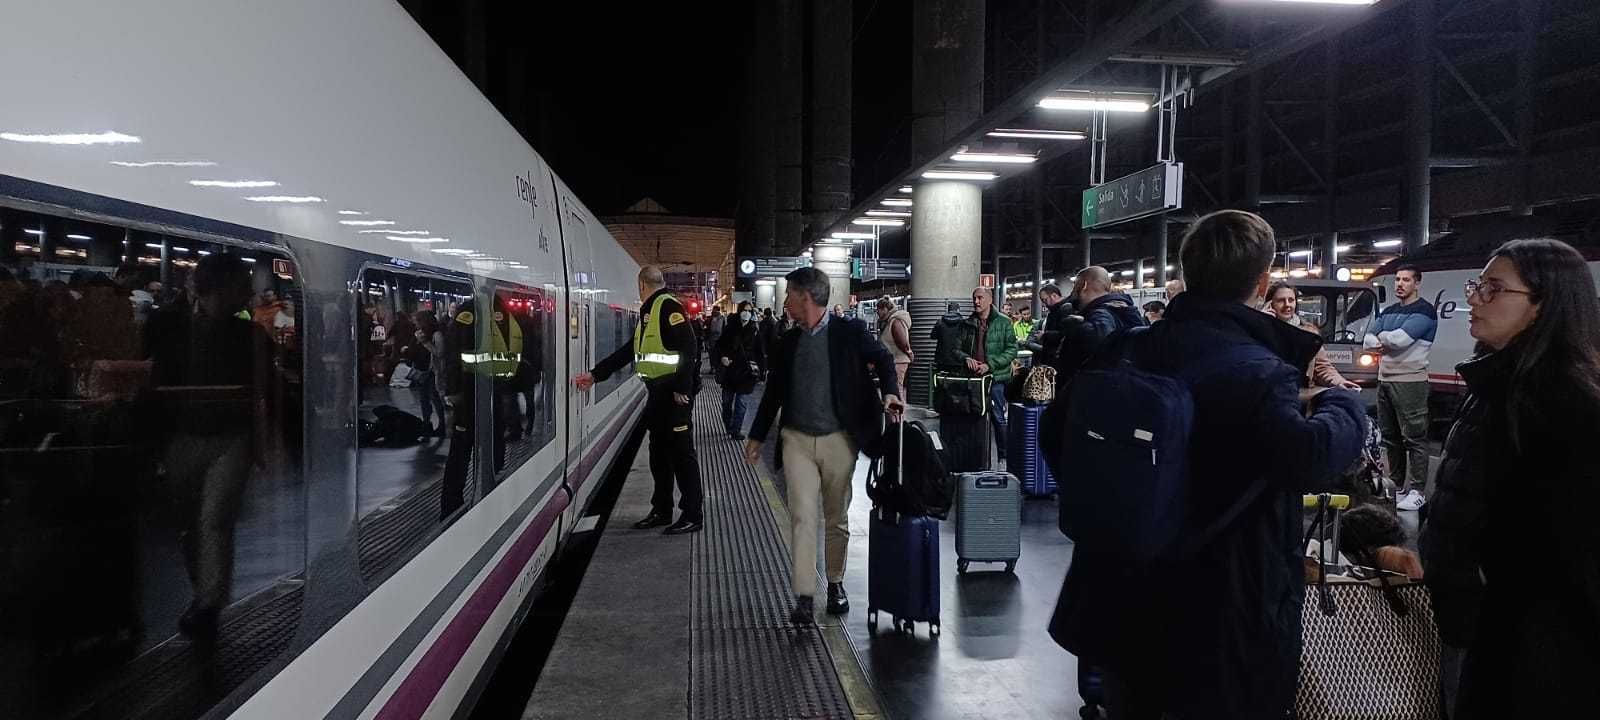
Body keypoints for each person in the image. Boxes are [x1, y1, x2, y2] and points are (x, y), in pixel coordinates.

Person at [1049, 210, 1366, 720]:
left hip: (1122, 596)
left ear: (1187, 272)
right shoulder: (1260, 371)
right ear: (1261, 284)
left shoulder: (1126, 348)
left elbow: (1055, 432)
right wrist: (1342, 405)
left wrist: (1121, 507)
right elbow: (1308, 457)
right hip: (1223, 614)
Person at [1420, 238, 1600, 718]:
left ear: (1543, 305)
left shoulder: (1564, 403)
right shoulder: (1495, 384)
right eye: (1476, 285)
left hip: (1535, 648)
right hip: (1480, 626)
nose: (1474, 300)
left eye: (1493, 289)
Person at [744, 267, 903, 625]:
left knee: (836, 517)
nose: (785, 302)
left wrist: (890, 392)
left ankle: (835, 583)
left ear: (806, 297)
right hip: (796, 439)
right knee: (802, 516)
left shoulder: (850, 332)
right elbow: (773, 393)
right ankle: (804, 595)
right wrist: (757, 435)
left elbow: (884, 359)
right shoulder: (787, 342)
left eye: (789, 295)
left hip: (839, 440)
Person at [143, 253, 277, 642]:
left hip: (229, 438)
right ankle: (204, 593)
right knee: (192, 523)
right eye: (239, 286)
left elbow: (267, 389)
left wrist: (266, 442)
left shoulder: (250, 335)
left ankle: (208, 602)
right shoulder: (168, 326)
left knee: (214, 518)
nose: (244, 295)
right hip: (183, 436)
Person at [575, 266, 703, 535]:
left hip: (673, 397)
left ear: (642, 285)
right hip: (657, 395)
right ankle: (662, 510)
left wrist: (682, 388)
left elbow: (689, 347)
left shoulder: (668, 307)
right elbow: (630, 351)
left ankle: (692, 514)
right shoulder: (650, 311)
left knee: (682, 455)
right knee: (658, 455)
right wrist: (596, 375)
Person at [440, 293, 521, 518]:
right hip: (495, 390)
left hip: (470, 392)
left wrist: (453, 390)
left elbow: (453, 353)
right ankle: (492, 489)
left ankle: (451, 505)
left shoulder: (470, 311)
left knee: (461, 450)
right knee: (494, 444)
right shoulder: (505, 312)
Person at [1363, 264, 1436, 511]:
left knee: (1414, 437)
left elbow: (1400, 340)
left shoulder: (1425, 311)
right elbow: (1367, 341)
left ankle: (1417, 491)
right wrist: (1385, 340)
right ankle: (1395, 485)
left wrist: (1383, 338)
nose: (1400, 284)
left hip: (1411, 382)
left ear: (1417, 283)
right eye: (1397, 279)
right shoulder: (1389, 310)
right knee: (1391, 437)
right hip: (1385, 380)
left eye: (1406, 280)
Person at [955, 287, 1017, 458]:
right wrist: (965, 358)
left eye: (980, 298)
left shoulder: (1004, 322)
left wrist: (990, 365)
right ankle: (974, 455)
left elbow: (1012, 350)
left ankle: (1003, 456)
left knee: (998, 417)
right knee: (972, 417)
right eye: (974, 298)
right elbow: (956, 349)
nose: (976, 301)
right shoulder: (966, 324)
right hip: (973, 379)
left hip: (996, 378)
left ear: (990, 299)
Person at [1265, 282, 1362, 391]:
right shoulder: (1259, 330)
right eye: (1281, 301)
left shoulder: (1308, 332)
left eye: (1291, 300)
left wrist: (1340, 382)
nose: (1287, 304)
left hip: (1299, 393)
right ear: (1270, 304)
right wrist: (1263, 324)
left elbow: (1322, 367)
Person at [1054, 267, 1145, 383]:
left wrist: (1076, 328)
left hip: (1092, 388)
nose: (1073, 292)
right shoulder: (1125, 312)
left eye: (1075, 286)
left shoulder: (1100, 314)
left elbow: (1100, 346)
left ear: (1084, 285)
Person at [714, 300, 764, 440]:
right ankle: (728, 425)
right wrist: (722, 357)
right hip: (730, 372)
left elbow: (760, 353)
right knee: (726, 403)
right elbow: (719, 346)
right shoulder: (730, 328)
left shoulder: (754, 330)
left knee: (741, 403)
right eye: (744, 310)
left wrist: (762, 372)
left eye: (749, 311)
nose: (746, 313)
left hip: (746, 373)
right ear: (739, 311)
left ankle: (736, 430)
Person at [405, 311, 447, 436]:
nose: (415, 324)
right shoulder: (419, 333)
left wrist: (424, 342)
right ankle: (427, 423)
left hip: (433, 370)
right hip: (422, 370)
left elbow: (439, 352)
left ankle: (442, 424)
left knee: (435, 398)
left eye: (417, 321)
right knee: (424, 398)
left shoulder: (436, 334)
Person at [1029, 283, 1073, 368]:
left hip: (1058, 360)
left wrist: (1045, 335)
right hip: (1051, 358)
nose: (1044, 304)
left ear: (1054, 296)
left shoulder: (1066, 309)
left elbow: (1065, 334)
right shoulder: (1054, 311)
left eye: (1045, 300)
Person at [875, 296, 914, 393]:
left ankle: (899, 403)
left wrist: (909, 352)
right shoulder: (889, 321)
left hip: (898, 360)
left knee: (896, 389)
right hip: (893, 360)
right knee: (892, 389)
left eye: (878, 310)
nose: (877, 313)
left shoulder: (895, 321)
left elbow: (902, 341)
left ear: (885, 309)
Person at [706, 306, 725, 372]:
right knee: (713, 354)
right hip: (713, 340)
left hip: (718, 339)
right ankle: (714, 367)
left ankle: (715, 368)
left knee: (716, 354)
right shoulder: (711, 318)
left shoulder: (721, 318)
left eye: (715, 310)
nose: (714, 311)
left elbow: (723, 329)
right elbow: (708, 329)